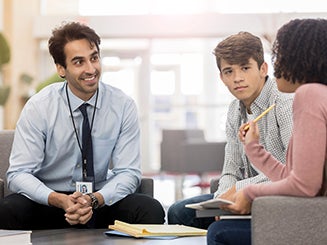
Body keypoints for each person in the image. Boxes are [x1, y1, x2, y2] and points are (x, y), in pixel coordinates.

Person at [0, 21, 165, 229]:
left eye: (94, 58)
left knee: (150, 209)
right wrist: (58, 199)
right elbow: (18, 174)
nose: (91, 69)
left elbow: (128, 172)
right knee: (6, 210)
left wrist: (94, 199)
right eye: (79, 62)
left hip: (99, 200)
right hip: (51, 201)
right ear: (61, 69)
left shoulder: (122, 105)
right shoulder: (39, 107)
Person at [207, 18, 327, 245]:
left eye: (279, 55)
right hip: (312, 211)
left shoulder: (309, 96)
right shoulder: (317, 94)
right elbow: (292, 175)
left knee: (218, 232)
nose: (274, 64)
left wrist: (249, 192)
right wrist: (254, 148)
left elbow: (304, 186)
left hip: (315, 217)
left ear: (299, 59)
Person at [168, 31, 294, 229]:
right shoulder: (234, 111)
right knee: (178, 212)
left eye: (245, 68)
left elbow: (292, 171)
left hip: (280, 197)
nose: (237, 78)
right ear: (221, 76)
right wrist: (220, 200)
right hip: (244, 196)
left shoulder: (284, 102)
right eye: (229, 71)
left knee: (219, 230)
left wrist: (239, 188)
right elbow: (230, 170)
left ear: (263, 68)